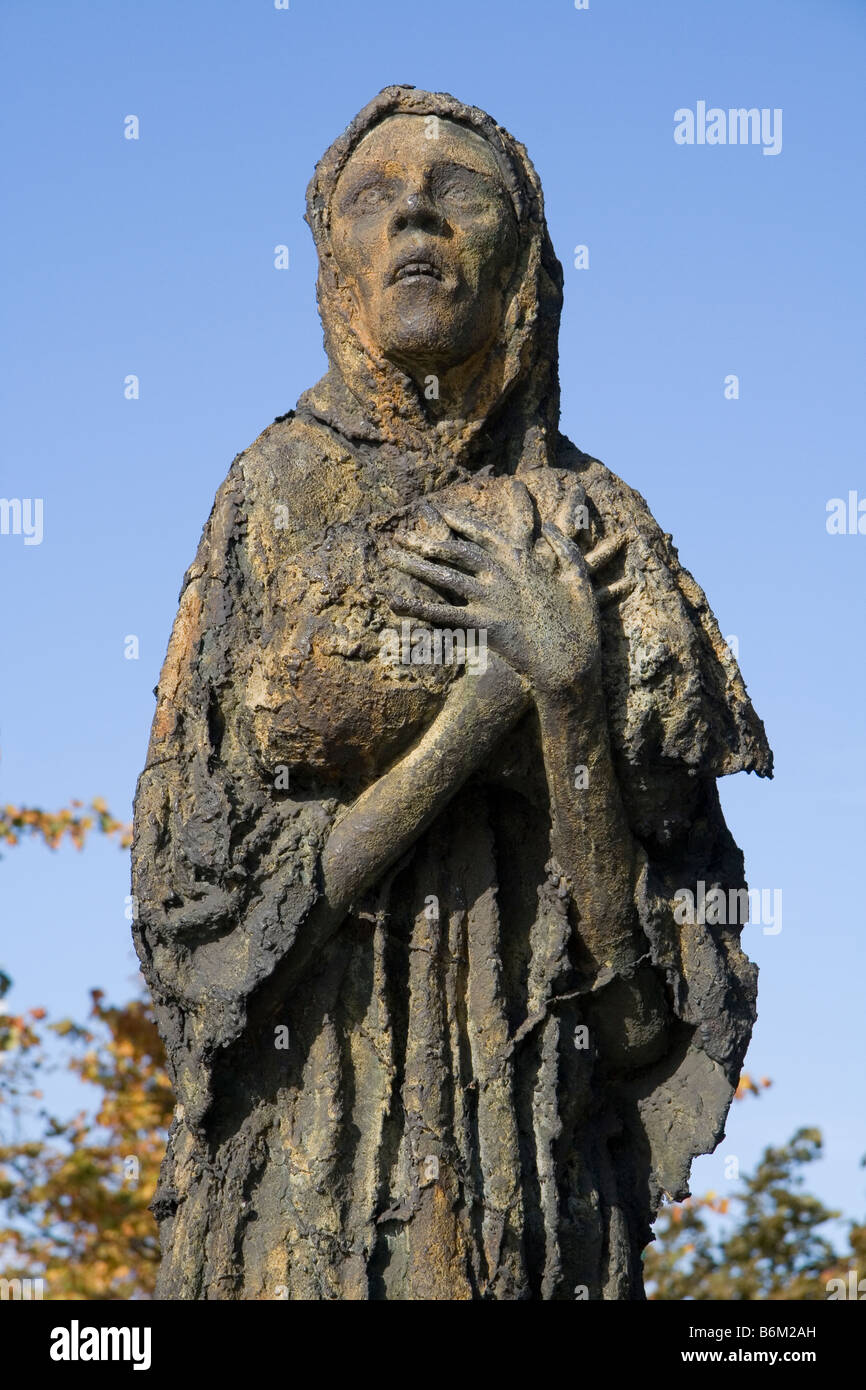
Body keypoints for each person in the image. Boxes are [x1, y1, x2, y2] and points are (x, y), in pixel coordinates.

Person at [132, 85, 771, 1300]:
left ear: (520, 259)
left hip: (536, 1199)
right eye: (373, 198)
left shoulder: (602, 530)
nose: (414, 211)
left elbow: (641, 1023)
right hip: (304, 1182)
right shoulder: (270, 497)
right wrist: (483, 709)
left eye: (456, 191)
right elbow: (208, 934)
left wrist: (572, 691)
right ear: (334, 263)